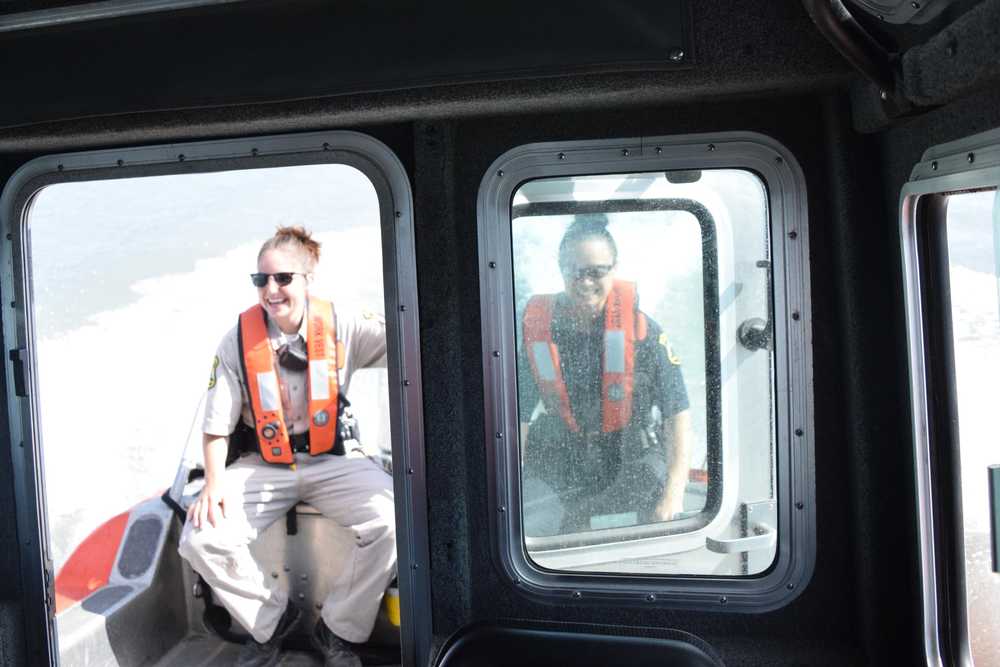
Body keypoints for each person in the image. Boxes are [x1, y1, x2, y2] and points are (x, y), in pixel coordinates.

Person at [178, 226, 395, 667]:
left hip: (331, 460)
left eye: (283, 279)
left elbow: (409, 340)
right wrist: (213, 484)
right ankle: (273, 621)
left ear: (308, 279)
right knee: (200, 539)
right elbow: (216, 424)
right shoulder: (236, 340)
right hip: (264, 463)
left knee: (393, 522)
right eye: (262, 281)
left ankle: (337, 630)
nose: (271, 291)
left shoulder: (345, 325)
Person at [518, 215, 692, 537]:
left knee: (658, 520)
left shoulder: (643, 332)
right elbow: (519, 418)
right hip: (562, 459)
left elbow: (677, 412)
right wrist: (510, 482)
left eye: (596, 272)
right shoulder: (538, 333)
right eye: (575, 272)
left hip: (629, 458)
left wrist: (675, 492)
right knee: (528, 522)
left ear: (614, 269)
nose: (585, 283)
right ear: (562, 270)